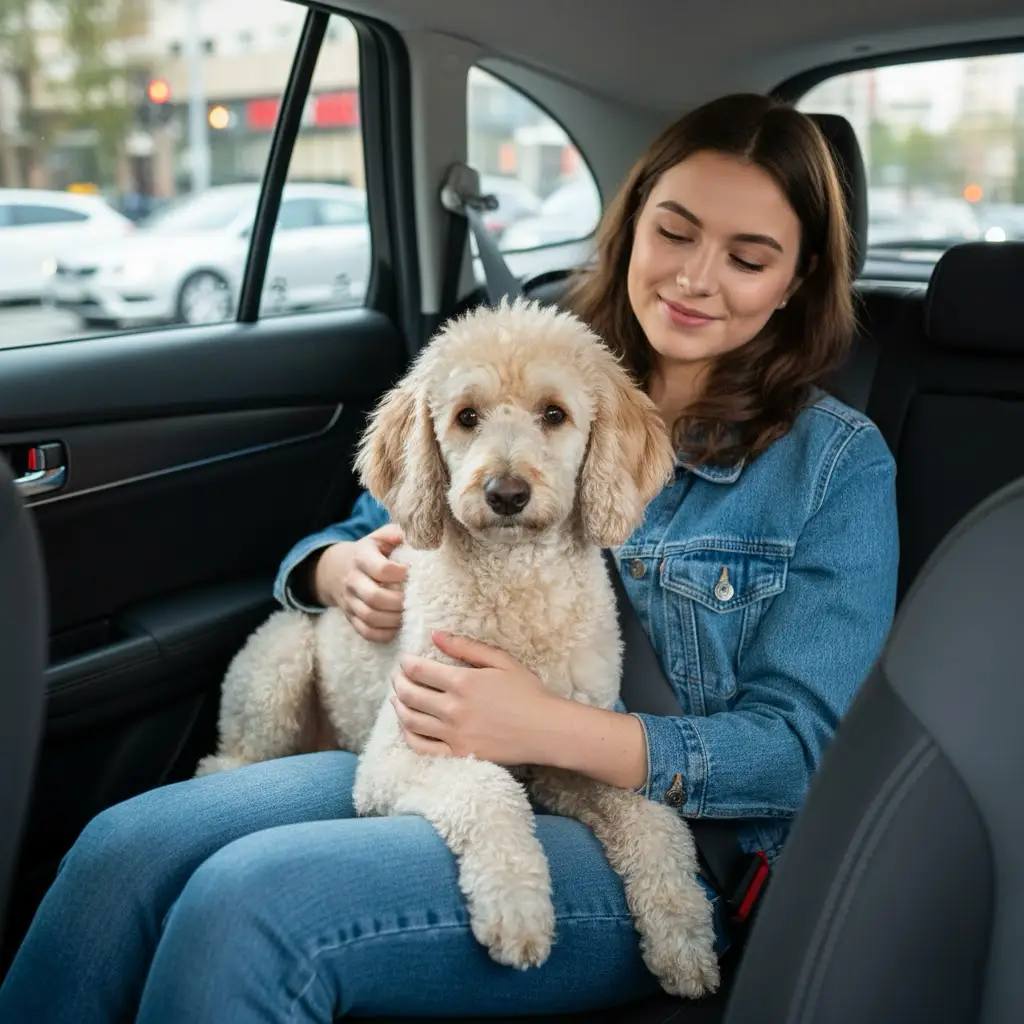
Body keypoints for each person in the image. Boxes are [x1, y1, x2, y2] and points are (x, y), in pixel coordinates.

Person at [0, 92, 898, 1022]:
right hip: (439, 751)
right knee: (124, 849)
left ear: (796, 280)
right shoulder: (530, 346)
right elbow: (381, 517)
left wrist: (546, 729)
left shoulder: (833, 467)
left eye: (749, 259)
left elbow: (807, 753)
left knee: (251, 908)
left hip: (668, 834)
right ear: (631, 228)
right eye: (674, 233)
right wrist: (337, 573)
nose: (698, 278)